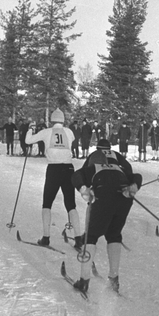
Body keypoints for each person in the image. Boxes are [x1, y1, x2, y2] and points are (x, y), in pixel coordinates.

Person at [71, 135, 144, 294]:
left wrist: (84, 189)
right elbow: (136, 175)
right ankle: (114, 279)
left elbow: (76, 175)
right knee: (114, 234)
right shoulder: (118, 166)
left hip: (104, 195)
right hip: (124, 198)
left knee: (91, 236)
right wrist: (133, 186)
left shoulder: (94, 166)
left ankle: (84, 280)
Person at [24, 109, 80, 246]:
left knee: (47, 203)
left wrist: (31, 129)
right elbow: (72, 140)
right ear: (62, 120)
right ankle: (78, 238)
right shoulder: (69, 132)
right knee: (71, 204)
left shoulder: (47, 132)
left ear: (52, 120)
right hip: (68, 168)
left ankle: (46, 237)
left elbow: (28, 141)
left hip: (54, 169)